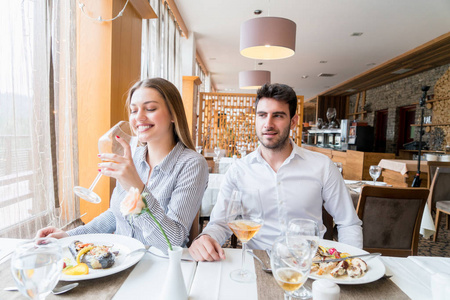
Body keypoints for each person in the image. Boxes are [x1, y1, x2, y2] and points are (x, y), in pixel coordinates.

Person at [189, 83, 362, 262]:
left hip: (309, 265)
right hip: (256, 264)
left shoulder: (323, 166)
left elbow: (348, 223)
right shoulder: (238, 171)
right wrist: (206, 238)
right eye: (262, 115)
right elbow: (220, 223)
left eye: (278, 116)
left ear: (293, 121)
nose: (268, 124)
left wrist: (352, 264)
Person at [37, 78, 209, 252]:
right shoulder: (132, 158)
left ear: (173, 114)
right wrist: (70, 236)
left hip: (159, 267)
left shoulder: (192, 164)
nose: (139, 117)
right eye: (134, 111)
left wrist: (138, 190)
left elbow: (173, 241)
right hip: (121, 261)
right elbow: (115, 214)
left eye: (150, 109)